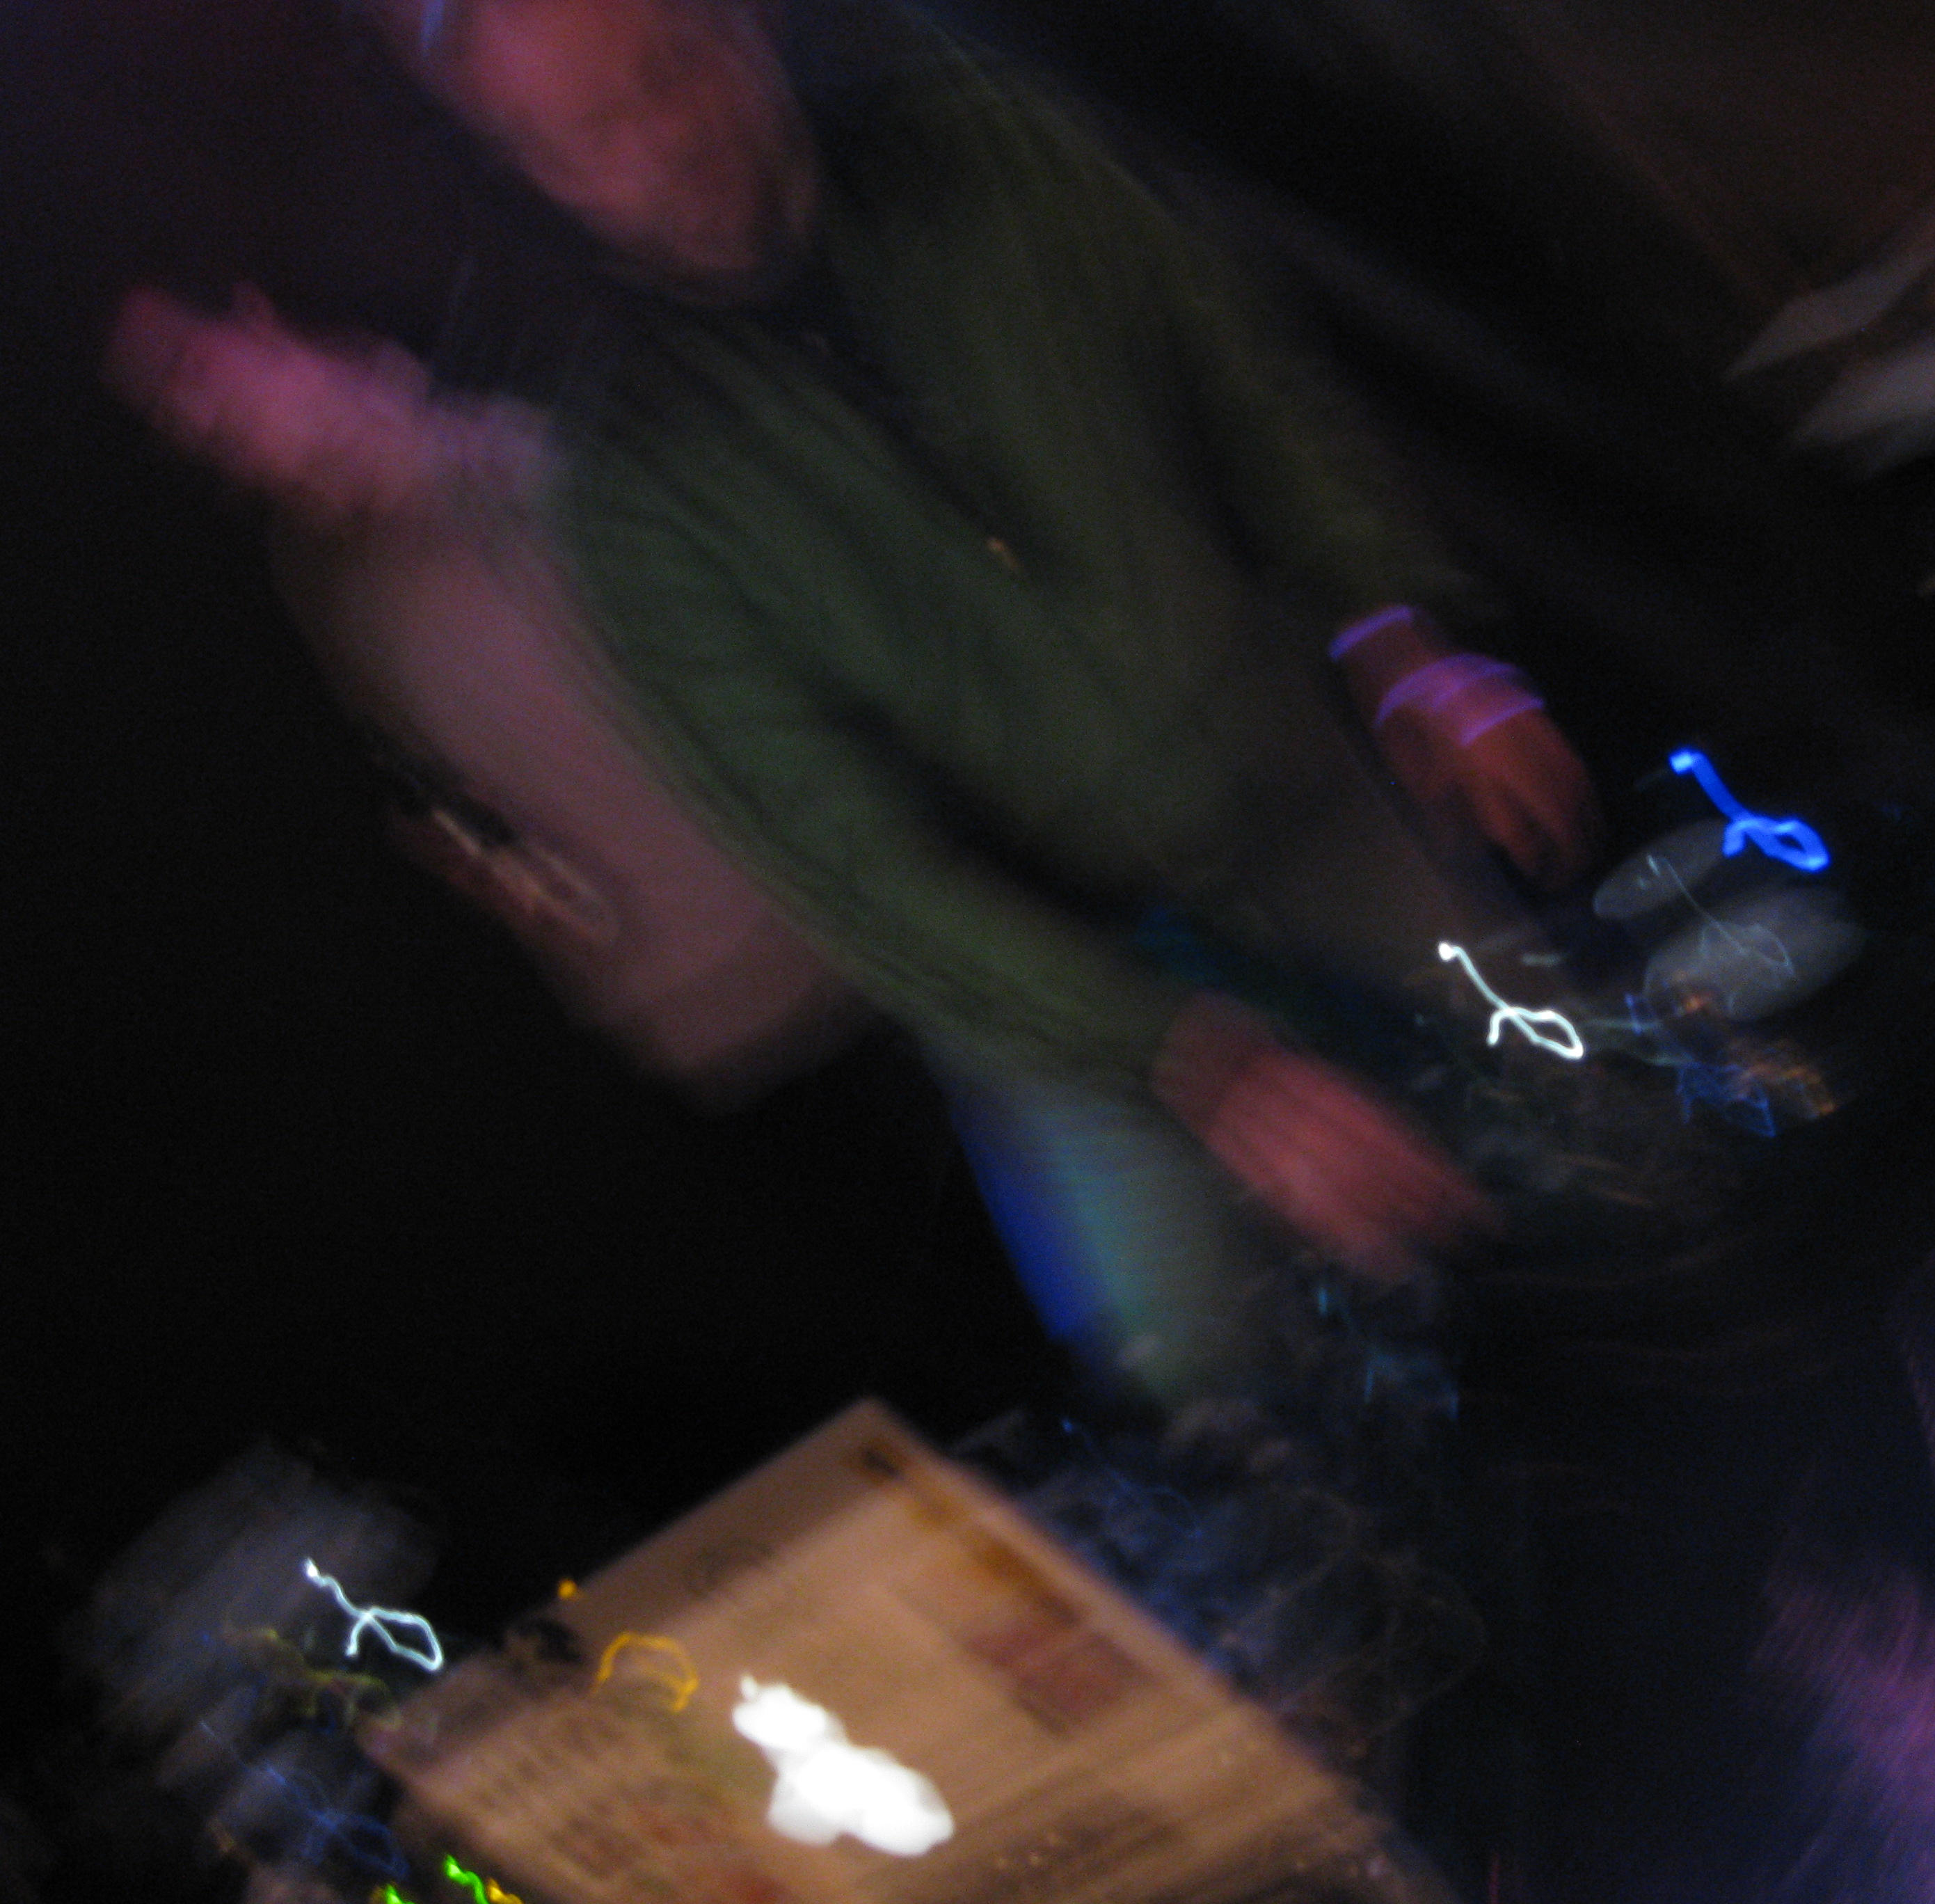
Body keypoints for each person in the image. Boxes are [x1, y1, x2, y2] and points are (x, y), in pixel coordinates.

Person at [367, 0, 1602, 1397]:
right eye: (599, 129)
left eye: (677, 63)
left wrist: (1398, 638)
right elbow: (852, 865)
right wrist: (1190, 1061)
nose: (670, 136)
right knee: (1195, 1371)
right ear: (531, 166)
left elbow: (1237, 369)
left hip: (1288, 780)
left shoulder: (976, 134)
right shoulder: (629, 480)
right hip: (1043, 975)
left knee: (1585, 1103)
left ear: (740, 18)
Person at [103, 284, 864, 1102]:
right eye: (181, 423)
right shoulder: (352, 591)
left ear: (257, 319)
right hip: (735, 992)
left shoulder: (505, 417)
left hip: (845, 903)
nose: (198, 417)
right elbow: (455, 812)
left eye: (192, 368)